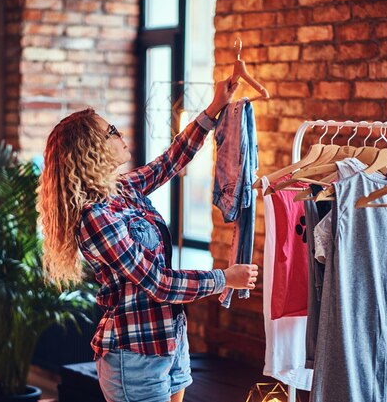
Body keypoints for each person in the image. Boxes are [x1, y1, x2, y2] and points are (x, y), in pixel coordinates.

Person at [37, 78, 259, 402]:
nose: (120, 134)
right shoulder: (95, 218)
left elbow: (171, 160)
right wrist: (225, 279)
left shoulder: (124, 188)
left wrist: (213, 109)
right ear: (90, 150)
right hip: (134, 356)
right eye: (111, 131)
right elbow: (159, 284)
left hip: (171, 340)